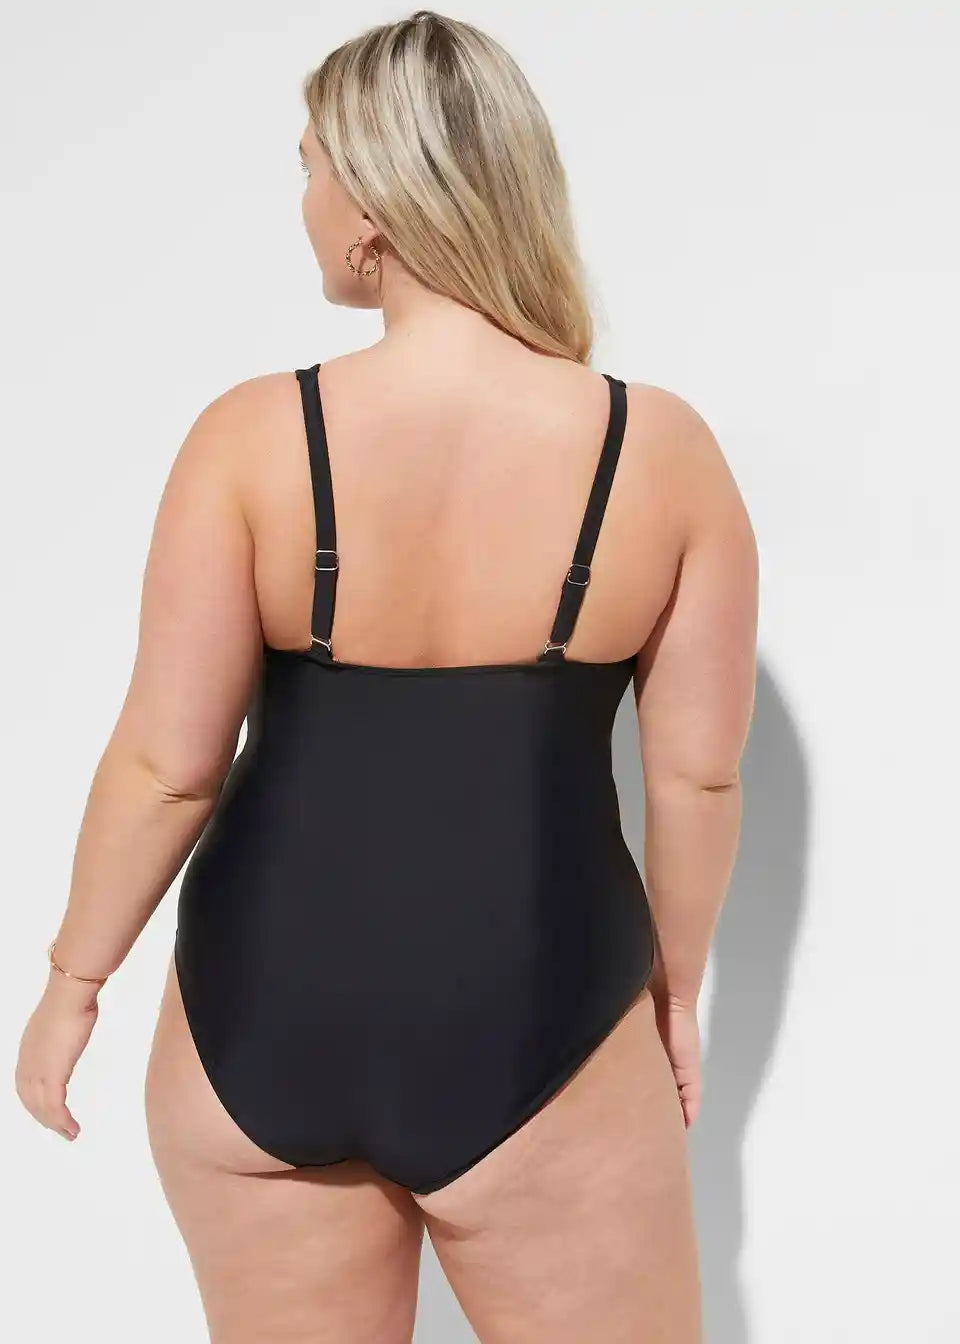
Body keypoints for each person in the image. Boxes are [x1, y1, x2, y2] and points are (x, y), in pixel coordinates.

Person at [15, 10, 758, 1342]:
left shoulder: (251, 439)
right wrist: (679, 991)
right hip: (540, 1014)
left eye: (307, 166)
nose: (302, 199)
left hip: (254, 1021)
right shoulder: (659, 452)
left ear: (371, 203)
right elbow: (696, 778)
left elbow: (167, 767)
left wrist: (76, 981)